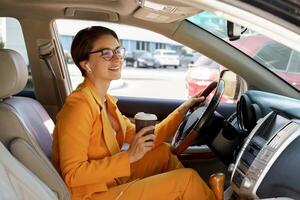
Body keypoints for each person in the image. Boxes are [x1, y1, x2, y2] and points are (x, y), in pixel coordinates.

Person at [52, 26, 215, 200]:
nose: (117, 58)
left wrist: (184, 109)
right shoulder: (79, 106)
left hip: (110, 180)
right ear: (86, 64)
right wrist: (128, 157)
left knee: (163, 153)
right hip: (92, 194)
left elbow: (150, 137)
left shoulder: (105, 101)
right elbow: (73, 174)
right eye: (106, 53)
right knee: (186, 179)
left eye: (117, 51)